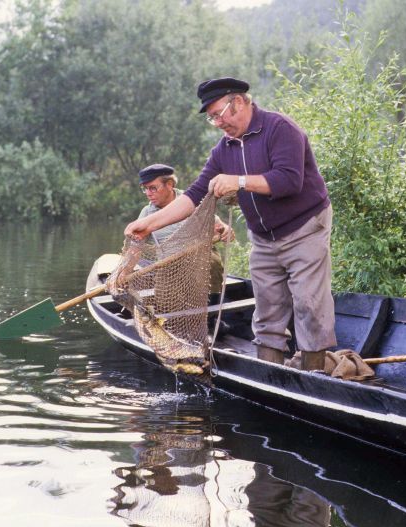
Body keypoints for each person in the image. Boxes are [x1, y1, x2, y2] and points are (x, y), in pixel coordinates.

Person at [125, 77, 336, 370]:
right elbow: (195, 195)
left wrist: (238, 181)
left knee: (309, 305)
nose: (218, 123)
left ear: (237, 102)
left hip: (304, 228)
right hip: (263, 237)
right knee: (267, 314)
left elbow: (289, 180)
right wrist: (149, 224)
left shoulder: (280, 129)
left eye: (218, 114)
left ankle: (314, 375)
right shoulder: (223, 150)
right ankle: (268, 376)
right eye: (211, 118)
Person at [136, 163, 233, 293]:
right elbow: (134, 249)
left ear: (169, 184)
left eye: (153, 188)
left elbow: (218, 225)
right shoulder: (146, 214)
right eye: (145, 188)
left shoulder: (192, 201)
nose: (148, 193)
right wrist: (123, 272)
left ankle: (214, 301)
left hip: (203, 264)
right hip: (170, 270)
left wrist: (225, 230)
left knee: (210, 262)